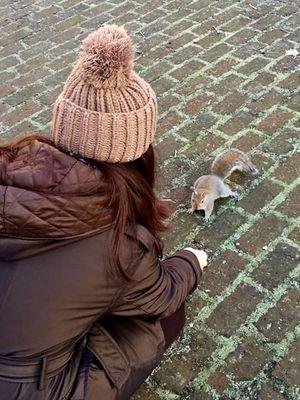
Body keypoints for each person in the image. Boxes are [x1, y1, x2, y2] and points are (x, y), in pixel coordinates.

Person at [0, 24, 207, 400]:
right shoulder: (120, 245)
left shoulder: (10, 168)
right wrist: (192, 262)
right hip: (22, 388)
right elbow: (162, 295)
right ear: (141, 153)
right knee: (163, 320)